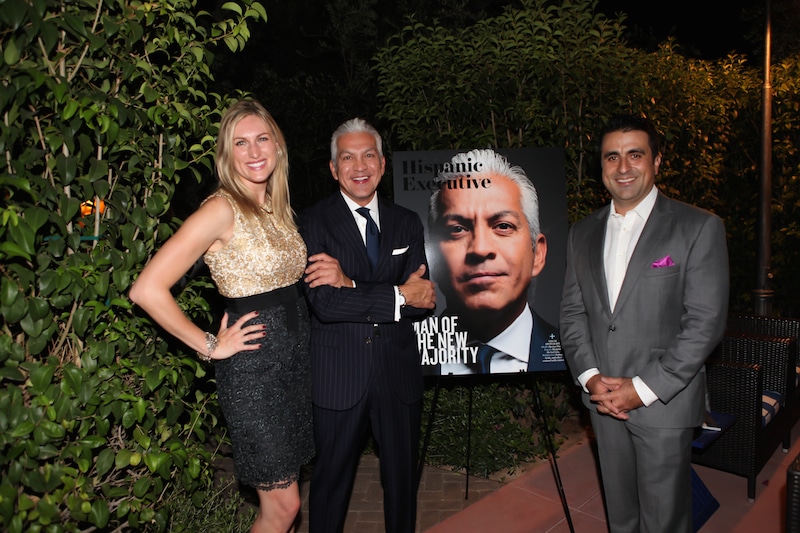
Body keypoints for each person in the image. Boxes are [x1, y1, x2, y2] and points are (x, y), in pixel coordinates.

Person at [129, 100, 313, 533]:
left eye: (261, 139)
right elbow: (146, 289)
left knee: (288, 503)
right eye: (240, 143)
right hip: (253, 373)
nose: (253, 152)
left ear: (278, 146)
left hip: (290, 368)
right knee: (283, 508)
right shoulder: (220, 209)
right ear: (226, 155)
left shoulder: (275, 207)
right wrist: (210, 344)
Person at [559, 114, 729, 533]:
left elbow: (705, 324)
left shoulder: (698, 226)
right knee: (622, 517)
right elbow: (572, 314)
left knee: (665, 521)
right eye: (611, 157)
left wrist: (643, 388)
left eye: (635, 154)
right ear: (601, 166)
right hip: (603, 403)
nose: (623, 167)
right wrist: (590, 378)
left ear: (657, 161)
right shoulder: (581, 233)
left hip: (663, 404)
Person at [300, 117, 436, 533]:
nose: (360, 166)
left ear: (382, 162)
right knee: (330, 485)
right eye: (348, 157)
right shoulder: (312, 222)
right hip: (339, 376)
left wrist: (352, 283)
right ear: (333, 167)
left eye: (369, 155)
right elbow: (325, 303)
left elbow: (424, 300)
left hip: (397, 374)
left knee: (401, 485)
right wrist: (396, 294)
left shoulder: (407, 222)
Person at [427, 148, 563, 375]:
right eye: (457, 229)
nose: (480, 249)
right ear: (435, 258)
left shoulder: (574, 356)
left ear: (537, 254)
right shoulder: (401, 359)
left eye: (503, 226)